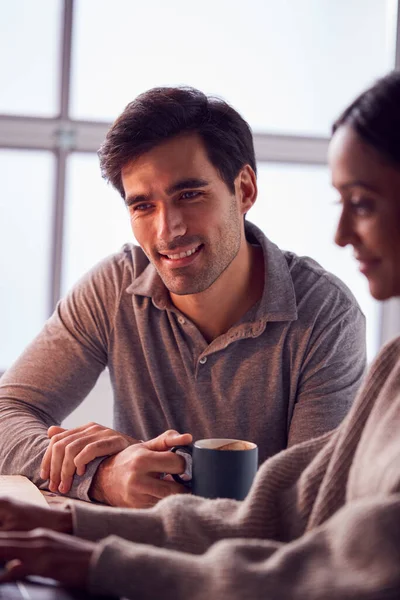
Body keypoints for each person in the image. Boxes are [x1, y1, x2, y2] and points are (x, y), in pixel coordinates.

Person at [0, 71, 399, 600]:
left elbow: (301, 520)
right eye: (143, 205)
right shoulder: (114, 285)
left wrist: (117, 529)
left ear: (245, 189)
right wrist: (103, 477)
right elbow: (7, 412)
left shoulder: (328, 316)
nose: (168, 230)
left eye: (189, 194)